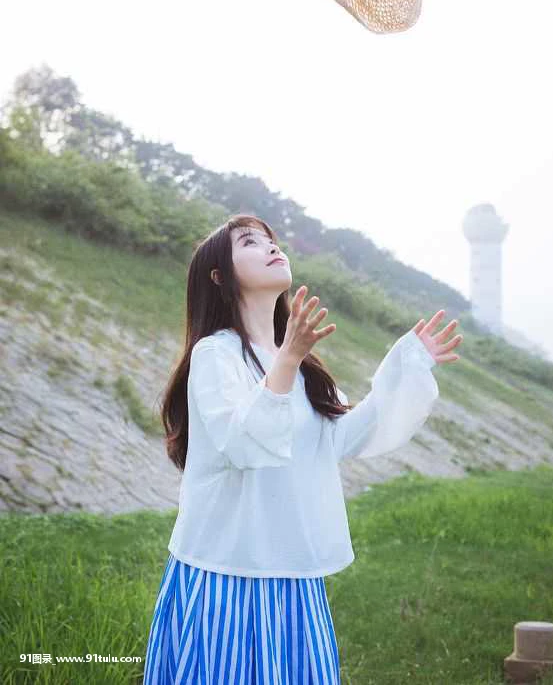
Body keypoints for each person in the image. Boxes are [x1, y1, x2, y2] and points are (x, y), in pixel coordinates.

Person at [142, 214, 462, 684]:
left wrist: (407, 363)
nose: (272, 247)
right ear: (220, 276)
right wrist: (289, 357)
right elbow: (242, 444)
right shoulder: (215, 354)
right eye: (250, 242)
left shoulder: (295, 362)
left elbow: (341, 437)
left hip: (292, 573)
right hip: (227, 572)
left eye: (271, 240)